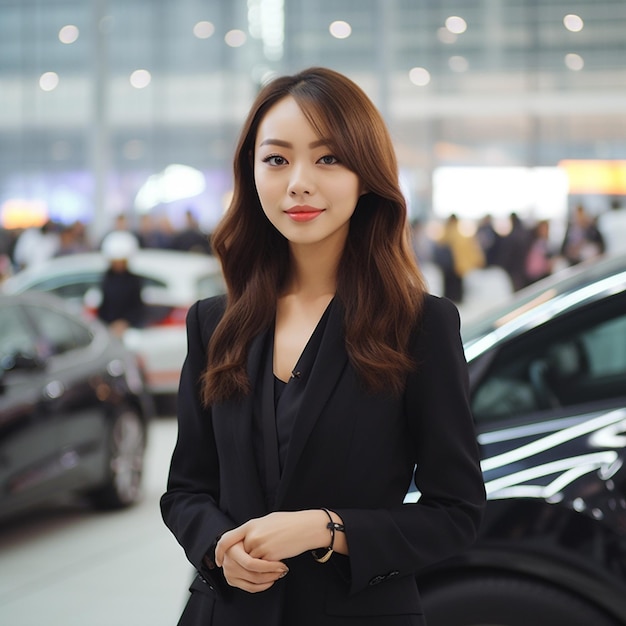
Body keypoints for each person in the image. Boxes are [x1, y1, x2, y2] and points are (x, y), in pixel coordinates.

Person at [160, 67, 485, 626]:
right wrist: (217, 547)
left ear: (368, 175)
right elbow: (187, 489)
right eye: (277, 159)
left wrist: (328, 529)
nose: (298, 182)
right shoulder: (214, 323)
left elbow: (456, 514)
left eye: (328, 158)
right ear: (251, 174)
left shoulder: (419, 324)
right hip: (227, 613)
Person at [97, 230, 146, 337]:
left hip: (131, 330)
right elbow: (104, 306)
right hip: (109, 330)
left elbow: (138, 308)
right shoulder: (107, 279)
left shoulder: (133, 280)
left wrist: (125, 322)